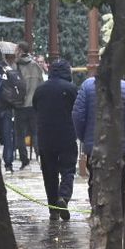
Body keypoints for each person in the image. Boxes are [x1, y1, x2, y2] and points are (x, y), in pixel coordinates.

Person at [32, 59, 80, 220]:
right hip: (66, 134)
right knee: (68, 169)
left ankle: (53, 209)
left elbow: (35, 108)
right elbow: (77, 110)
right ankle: (63, 197)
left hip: (45, 137)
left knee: (49, 173)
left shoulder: (40, 90)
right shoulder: (71, 89)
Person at [72, 73, 125, 169]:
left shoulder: (87, 86)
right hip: (120, 151)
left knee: (94, 181)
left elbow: (78, 116)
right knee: (119, 182)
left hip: (94, 149)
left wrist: (85, 138)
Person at [12, 47, 45, 167]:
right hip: (34, 105)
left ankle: (24, 160)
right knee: (36, 132)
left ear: (20, 51)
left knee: (20, 134)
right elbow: (41, 84)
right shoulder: (36, 66)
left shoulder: (15, 66)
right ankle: (39, 156)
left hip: (20, 105)